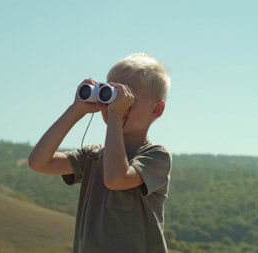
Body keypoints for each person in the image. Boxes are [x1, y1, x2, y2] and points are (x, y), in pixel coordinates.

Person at [28, 53, 173, 253]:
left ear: (156, 110)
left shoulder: (156, 157)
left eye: (127, 99)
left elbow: (115, 178)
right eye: (110, 95)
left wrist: (115, 115)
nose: (114, 105)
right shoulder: (92, 156)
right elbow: (38, 162)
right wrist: (76, 110)